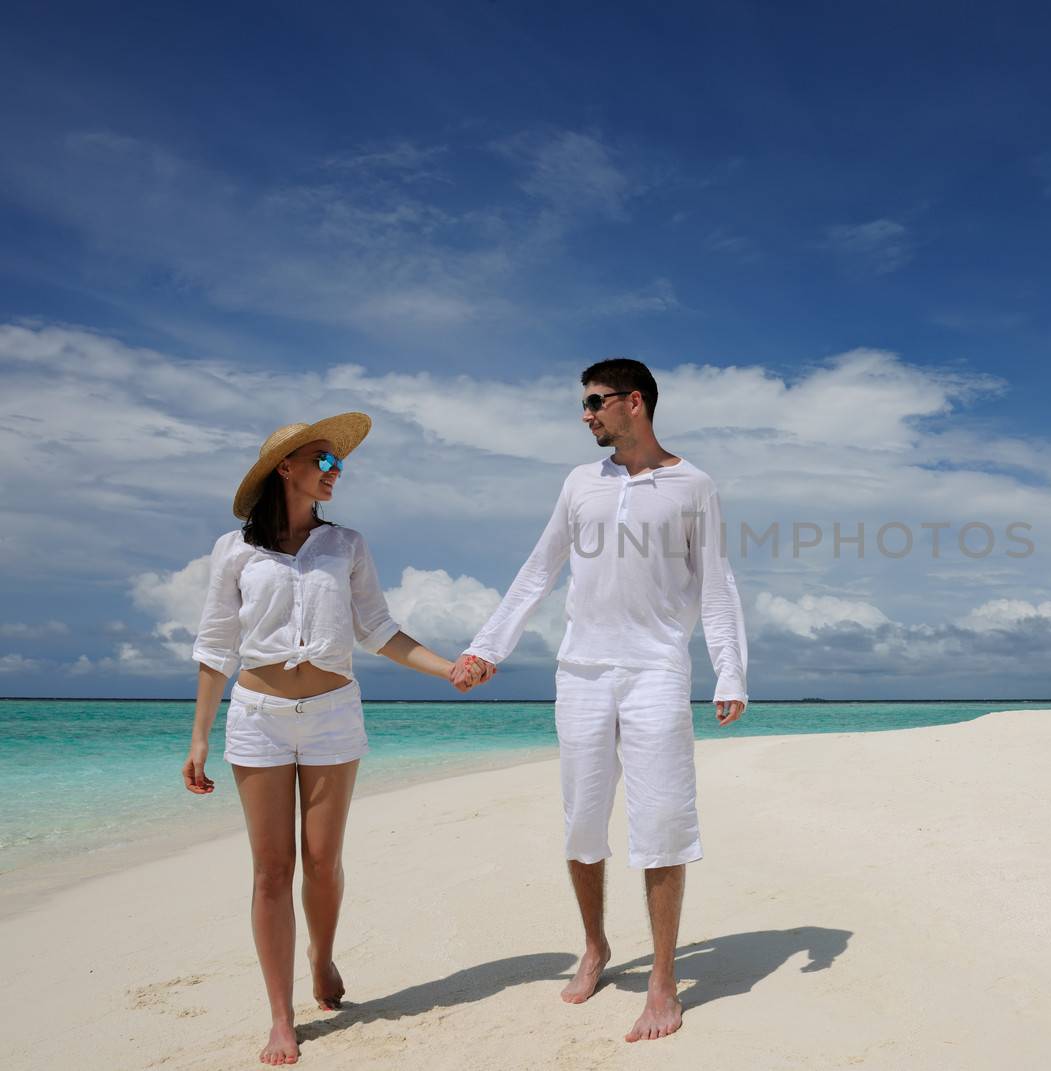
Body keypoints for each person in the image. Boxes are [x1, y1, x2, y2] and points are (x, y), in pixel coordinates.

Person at [450, 358, 748, 1043]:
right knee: (583, 822)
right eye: (583, 404)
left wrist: (729, 672)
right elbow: (538, 571)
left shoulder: (693, 485)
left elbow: (716, 584)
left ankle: (664, 979)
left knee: (663, 821)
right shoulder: (580, 482)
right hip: (580, 671)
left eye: (594, 402)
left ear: (633, 402)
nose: (585, 414)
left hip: (656, 669)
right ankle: (595, 946)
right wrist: (484, 649)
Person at [182, 413, 485, 1067]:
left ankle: (321, 955)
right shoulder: (234, 551)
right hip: (258, 718)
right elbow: (215, 647)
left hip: (331, 716)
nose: (334, 471)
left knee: (322, 861)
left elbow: (379, 628)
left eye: (337, 462)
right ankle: (281, 1016)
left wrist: (449, 666)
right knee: (271, 870)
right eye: (323, 460)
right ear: (284, 467)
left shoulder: (346, 544)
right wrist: (199, 738)